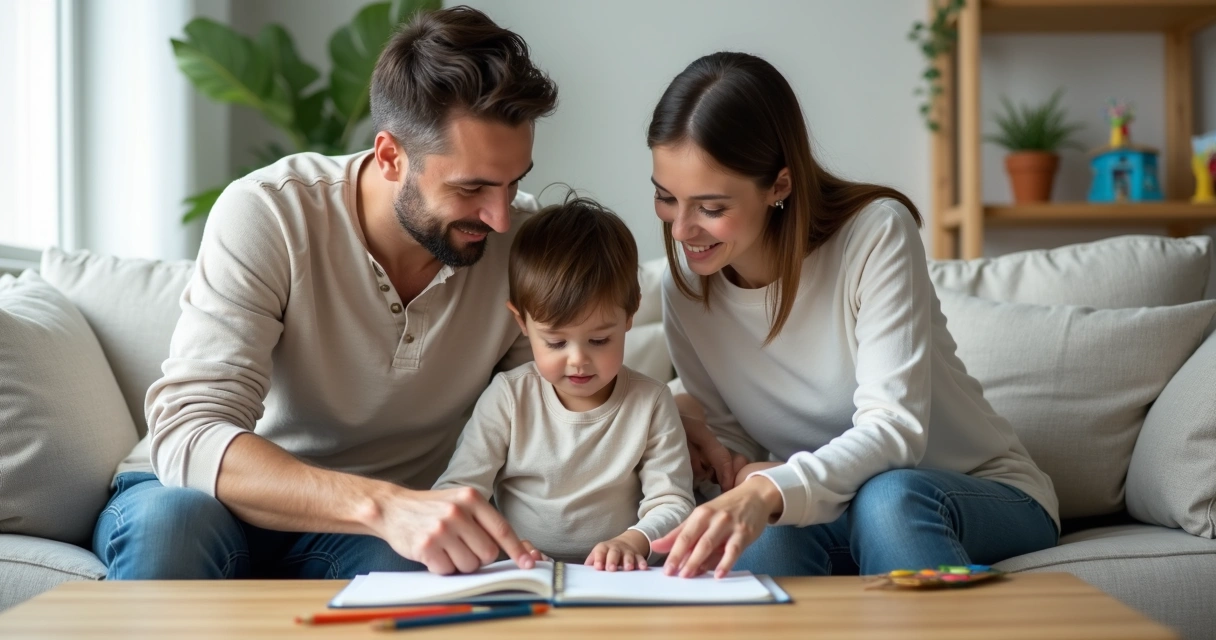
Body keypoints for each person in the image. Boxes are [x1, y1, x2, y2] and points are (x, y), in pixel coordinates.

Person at [93, 6, 559, 580]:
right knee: (174, 526)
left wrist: (663, 410)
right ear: (391, 156)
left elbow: (541, 411)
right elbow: (191, 433)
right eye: (472, 188)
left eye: (514, 182)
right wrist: (385, 505)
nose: (500, 216)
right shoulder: (271, 212)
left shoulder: (525, 245)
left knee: (410, 567)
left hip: (371, 532)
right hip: (202, 498)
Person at [644, 52, 1060, 579]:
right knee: (765, 541)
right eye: (665, 198)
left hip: (974, 491)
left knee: (889, 502)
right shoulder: (685, 288)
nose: (681, 230)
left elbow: (894, 430)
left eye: (710, 208)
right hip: (836, 504)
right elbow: (735, 439)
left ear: (779, 185)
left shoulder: (874, 235)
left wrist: (771, 487)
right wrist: (736, 467)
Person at [434, 197, 695, 571]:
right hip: (522, 571)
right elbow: (459, 492)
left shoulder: (651, 402)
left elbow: (673, 501)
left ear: (630, 314)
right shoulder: (509, 398)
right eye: (556, 342)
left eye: (599, 340)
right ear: (521, 322)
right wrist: (501, 545)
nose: (577, 360)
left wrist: (632, 541)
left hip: (618, 577)